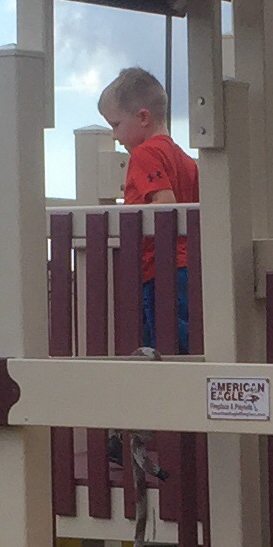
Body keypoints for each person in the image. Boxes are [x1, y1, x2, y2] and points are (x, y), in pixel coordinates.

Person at [99, 67, 195, 353]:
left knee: (161, 347)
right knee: (187, 344)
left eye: (116, 125)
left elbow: (165, 205)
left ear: (142, 117)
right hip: (187, 265)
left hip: (160, 268)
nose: (115, 136)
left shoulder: (145, 154)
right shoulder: (185, 160)